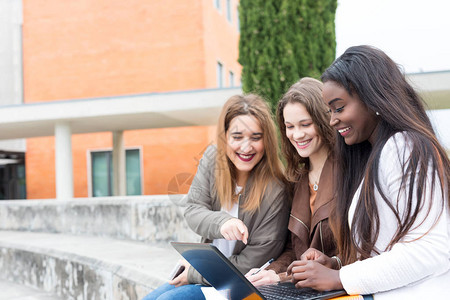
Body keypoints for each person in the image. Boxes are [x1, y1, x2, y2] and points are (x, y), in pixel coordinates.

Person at [287, 45, 450, 298]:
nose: (332, 120)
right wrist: (337, 264)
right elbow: (385, 250)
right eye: (330, 111)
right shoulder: (377, 156)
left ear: (372, 97)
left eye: (339, 108)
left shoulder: (404, 147)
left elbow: (432, 249)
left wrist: (340, 277)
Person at [143, 94, 289, 300]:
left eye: (256, 137)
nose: (246, 147)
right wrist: (223, 223)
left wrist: (195, 272)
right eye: (237, 137)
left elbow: (252, 261)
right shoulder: (212, 160)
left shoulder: (276, 190)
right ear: (225, 136)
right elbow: (193, 209)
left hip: (240, 285)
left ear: (267, 141)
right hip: (208, 274)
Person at [245, 77, 338, 286]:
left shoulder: (351, 174)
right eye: (290, 126)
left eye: (305, 124)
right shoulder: (296, 180)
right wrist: (269, 273)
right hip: (301, 288)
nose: (297, 134)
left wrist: (281, 277)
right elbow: (291, 249)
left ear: (324, 121)